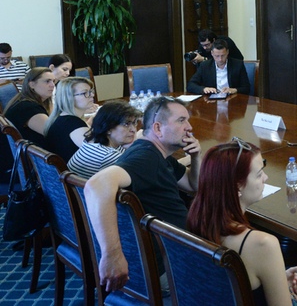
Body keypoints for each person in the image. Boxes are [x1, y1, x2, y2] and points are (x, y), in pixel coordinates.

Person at [85, 97, 201, 293]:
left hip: (172, 252)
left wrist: (196, 157)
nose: (189, 127)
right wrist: (112, 254)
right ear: (158, 128)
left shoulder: (155, 152)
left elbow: (192, 184)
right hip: (171, 264)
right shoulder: (146, 158)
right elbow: (96, 184)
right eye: (181, 120)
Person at [186, 141, 297, 306]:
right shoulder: (263, 244)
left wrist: (276, 279)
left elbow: (225, 286)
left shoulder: (196, 221)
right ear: (238, 186)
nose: (265, 177)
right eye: (259, 174)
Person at [1, 67, 55, 179]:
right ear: (32, 84)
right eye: (47, 81)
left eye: (53, 81)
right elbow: (55, 134)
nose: (52, 85)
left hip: (21, 162)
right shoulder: (28, 108)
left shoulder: (24, 100)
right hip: (20, 169)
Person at [68, 100, 140, 179]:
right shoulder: (108, 155)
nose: (134, 129)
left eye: (134, 123)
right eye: (126, 124)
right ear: (108, 128)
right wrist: (135, 145)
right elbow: (139, 174)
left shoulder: (93, 141)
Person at [42, 76, 98, 162]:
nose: (92, 95)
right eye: (85, 93)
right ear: (69, 98)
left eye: (91, 91)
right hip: (75, 170)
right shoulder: (72, 124)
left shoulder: (62, 118)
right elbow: (100, 154)